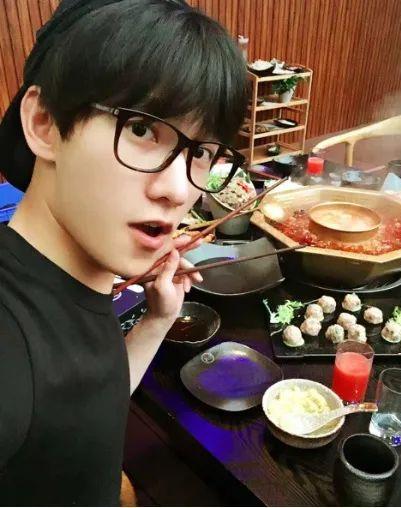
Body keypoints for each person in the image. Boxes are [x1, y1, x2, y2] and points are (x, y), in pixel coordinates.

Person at [0, 0, 247, 504]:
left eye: (201, 153)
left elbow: (82, 412)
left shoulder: (78, 277)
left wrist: (157, 321)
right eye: (140, 129)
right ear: (45, 123)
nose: (179, 190)